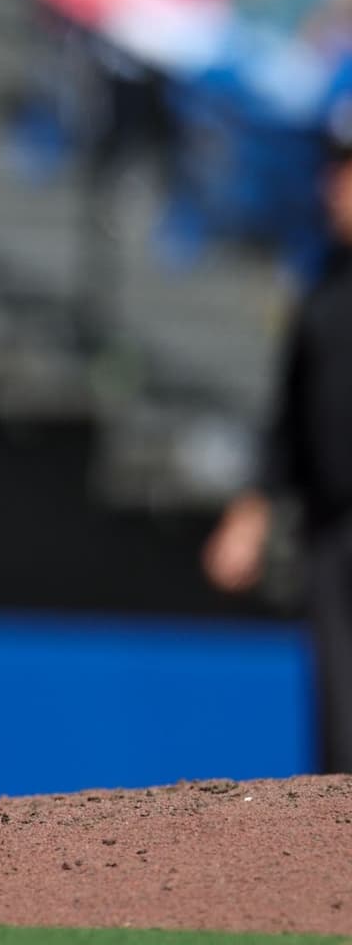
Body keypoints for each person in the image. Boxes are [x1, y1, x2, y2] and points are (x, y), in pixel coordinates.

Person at [202, 104, 352, 772]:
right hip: (333, 529)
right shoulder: (322, 287)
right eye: (336, 171)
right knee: (341, 717)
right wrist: (254, 508)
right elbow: (290, 415)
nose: (337, 188)